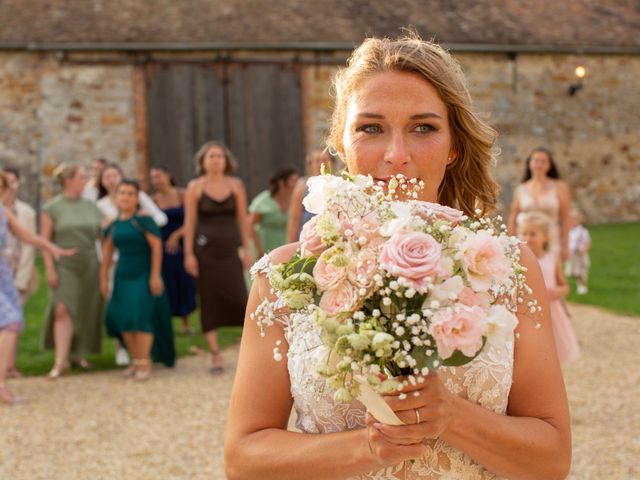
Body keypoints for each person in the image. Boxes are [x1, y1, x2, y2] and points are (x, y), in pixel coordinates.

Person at [225, 34, 571, 479]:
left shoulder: (508, 269)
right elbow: (243, 458)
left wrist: (451, 417)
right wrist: (367, 447)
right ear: (341, 145)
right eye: (370, 128)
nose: (396, 155)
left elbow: (552, 459)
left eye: (423, 128)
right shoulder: (284, 277)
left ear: (454, 147)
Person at [0, 171, 75, 404]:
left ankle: (1, 382)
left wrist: (52, 248)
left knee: (10, 321)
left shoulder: (3, 212)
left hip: (2, 276)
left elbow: (27, 236)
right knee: (10, 321)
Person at [183, 141, 250, 374]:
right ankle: (216, 356)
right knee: (209, 303)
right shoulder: (195, 187)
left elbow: (243, 218)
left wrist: (247, 249)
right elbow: (190, 222)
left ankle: (248, 354)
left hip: (230, 251)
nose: (216, 160)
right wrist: (188, 254)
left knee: (242, 300)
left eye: (220, 156)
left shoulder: (236, 185)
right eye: (211, 156)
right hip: (206, 254)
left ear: (226, 160)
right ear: (203, 161)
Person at [100, 180, 176, 380]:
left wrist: (155, 275)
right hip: (122, 275)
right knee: (122, 317)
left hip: (143, 273)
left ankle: (144, 361)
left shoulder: (143, 221)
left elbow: (157, 247)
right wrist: (103, 280)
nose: (125, 197)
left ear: (136, 198)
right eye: (122, 193)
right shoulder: (113, 225)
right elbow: (107, 255)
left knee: (140, 316)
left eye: (130, 193)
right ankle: (135, 360)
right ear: (116, 197)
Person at [41, 164, 104, 378]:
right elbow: (44, 241)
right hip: (63, 264)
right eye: (81, 177)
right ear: (68, 180)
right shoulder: (52, 207)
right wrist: (50, 268)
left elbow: (105, 233)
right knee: (62, 309)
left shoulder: (91, 206)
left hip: (89, 262)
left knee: (86, 308)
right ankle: (61, 360)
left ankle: (79, 354)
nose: (84, 180)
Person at [517, 212, 580, 365]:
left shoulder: (552, 259)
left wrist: (557, 292)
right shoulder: (518, 259)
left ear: (545, 237)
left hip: (552, 311)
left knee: (553, 346)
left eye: (533, 234)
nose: (528, 238)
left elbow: (564, 286)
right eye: (524, 233)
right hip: (527, 310)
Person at [1, 167, 38, 380]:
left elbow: (29, 242)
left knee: (12, 322)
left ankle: (8, 367)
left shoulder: (25, 212)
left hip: (13, 273)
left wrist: (21, 279)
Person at [150, 166, 196, 334]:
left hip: (183, 243)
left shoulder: (182, 194)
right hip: (162, 246)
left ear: (168, 175)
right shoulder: (153, 199)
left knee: (183, 281)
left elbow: (192, 219)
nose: (156, 180)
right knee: (167, 282)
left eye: (159, 175)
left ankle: (186, 322)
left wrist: (177, 236)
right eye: (153, 177)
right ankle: (167, 323)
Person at [507, 147, 571, 261]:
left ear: (549, 165)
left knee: (550, 272)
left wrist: (565, 245)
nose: (539, 164)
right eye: (536, 160)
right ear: (529, 163)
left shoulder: (559, 187)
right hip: (526, 238)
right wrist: (511, 242)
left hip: (551, 238)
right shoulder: (521, 188)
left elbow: (566, 217)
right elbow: (513, 217)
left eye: (543, 161)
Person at [286, 150, 336, 243]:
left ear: (332, 163)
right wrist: (290, 243)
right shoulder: (302, 186)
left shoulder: (337, 184)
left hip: (332, 236)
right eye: (317, 161)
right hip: (308, 237)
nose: (322, 164)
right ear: (310, 165)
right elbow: (294, 218)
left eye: (325, 160)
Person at [248, 167, 299, 258]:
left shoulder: (295, 201)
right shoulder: (264, 200)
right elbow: (250, 225)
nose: (296, 184)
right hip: (264, 246)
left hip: (284, 246)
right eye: (293, 181)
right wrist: (258, 249)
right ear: (281, 183)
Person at [565, 209, 591, 295]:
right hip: (571, 253)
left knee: (580, 271)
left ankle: (583, 286)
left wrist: (584, 249)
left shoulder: (583, 231)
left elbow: (587, 242)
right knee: (572, 272)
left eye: (574, 219)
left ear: (579, 220)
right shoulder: (569, 231)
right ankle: (579, 283)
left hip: (579, 254)